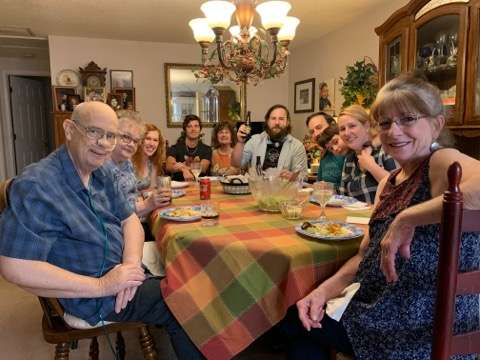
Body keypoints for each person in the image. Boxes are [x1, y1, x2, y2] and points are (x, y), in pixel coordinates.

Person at [286, 73, 480, 359]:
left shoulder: (440, 161)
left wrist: (408, 218)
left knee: (292, 324)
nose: (394, 131)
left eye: (407, 119)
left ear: (437, 124)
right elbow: (365, 256)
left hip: (422, 328)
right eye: (386, 122)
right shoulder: (389, 182)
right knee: (301, 313)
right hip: (380, 311)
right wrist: (323, 292)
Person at [0, 102, 203, 359]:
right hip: (91, 295)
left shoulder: (102, 169)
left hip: (121, 273)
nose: (104, 143)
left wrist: (130, 265)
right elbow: (14, 266)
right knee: (184, 300)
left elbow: (129, 219)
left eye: (111, 135)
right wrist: (103, 285)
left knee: (190, 271)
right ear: (70, 129)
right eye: (94, 132)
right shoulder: (37, 184)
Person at [106, 112, 170, 243]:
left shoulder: (126, 163)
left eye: (135, 140)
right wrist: (148, 203)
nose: (131, 144)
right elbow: (117, 214)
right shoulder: (103, 166)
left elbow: (131, 200)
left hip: (134, 227)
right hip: (116, 237)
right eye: (125, 137)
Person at [338, 104, 397, 203]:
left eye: (352, 126)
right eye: (342, 129)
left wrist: (371, 166)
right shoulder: (349, 159)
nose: (346, 133)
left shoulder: (385, 149)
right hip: (355, 217)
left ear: (366, 126)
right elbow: (343, 197)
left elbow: (400, 188)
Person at [232, 104, 307, 180]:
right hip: (257, 190)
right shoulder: (254, 141)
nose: (277, 122)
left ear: (287, 122)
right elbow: (236, 165)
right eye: (273, 118)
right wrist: (240, 142)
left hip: (283, 191)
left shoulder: (297, 146)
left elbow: (303, 176)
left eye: (281, 119)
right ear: (267, 121)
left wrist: (292, 177)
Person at [166, 114, 212, 181]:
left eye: (196, 126)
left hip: (200, 186)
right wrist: (183, 169)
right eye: (189, 126)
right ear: (185, 130)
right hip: (179, 187)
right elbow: (169, 166)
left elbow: (203, 168)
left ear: (200, 129)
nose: (193, 129)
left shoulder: (207, 149)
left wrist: (181, 166)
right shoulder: (175, 148)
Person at [131, 123, 165, 192]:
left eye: (155, 140)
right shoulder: (128, 161)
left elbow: (151, 191)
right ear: (140, 140)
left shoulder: (153, 164)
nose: (152, 144)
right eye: (148, 139)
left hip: (144, 201)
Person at [315, 124, 349, 190]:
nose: (335, 148)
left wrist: (330, 187)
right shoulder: (324, 157)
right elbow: (318, 181)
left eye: (336, 142)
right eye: (331, 148)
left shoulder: (350, 157)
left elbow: (349, 187)